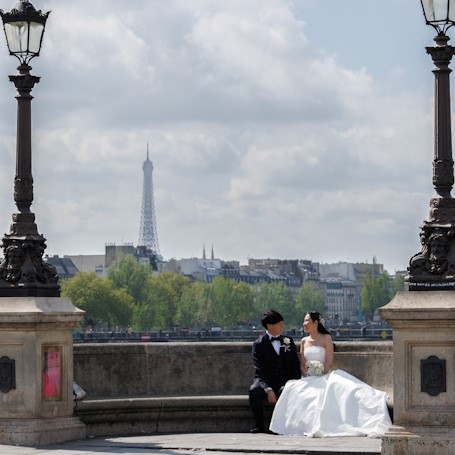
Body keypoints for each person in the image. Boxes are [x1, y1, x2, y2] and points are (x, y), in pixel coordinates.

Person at [269, 311, 392, 437]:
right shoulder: (304, 341)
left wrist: (320, 372)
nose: (303, 323)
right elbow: (302, 363)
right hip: (307, 377)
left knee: (347, 390)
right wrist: (307, 374)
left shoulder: (326, 338)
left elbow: (329, 363)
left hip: (324, 375)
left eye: (306, 321)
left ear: (315, 323)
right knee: (293, 389)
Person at [249, 309, 301, 433]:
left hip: (284, 380)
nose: (283, 326)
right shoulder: (258, 344)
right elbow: (259, 369)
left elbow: (295, 364)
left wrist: (293, 383)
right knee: (254, 391)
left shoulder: (288, 341)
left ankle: (278, 426)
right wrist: (268, 389)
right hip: (265, 380)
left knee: (285, 390)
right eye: (280, 324)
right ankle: (259, 425)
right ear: (269, 326)